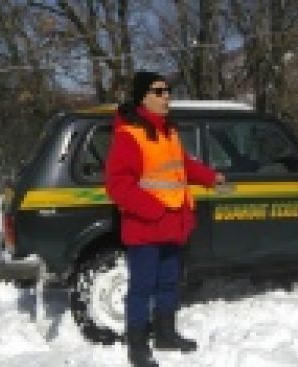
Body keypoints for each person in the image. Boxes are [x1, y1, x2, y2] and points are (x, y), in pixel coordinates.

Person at [105, 71, 225, 367]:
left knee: (169, 283)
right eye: (159, 91)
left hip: (173, 225)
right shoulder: (129, 135)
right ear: (143, 97)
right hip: (147, 227)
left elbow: (183, 166)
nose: (166, 96)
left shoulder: (168, 131)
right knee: (142, 287)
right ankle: (136, 345)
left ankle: (165, 334)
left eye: (168, 90)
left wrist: (211, 177)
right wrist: (154, 210)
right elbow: (117, 185)